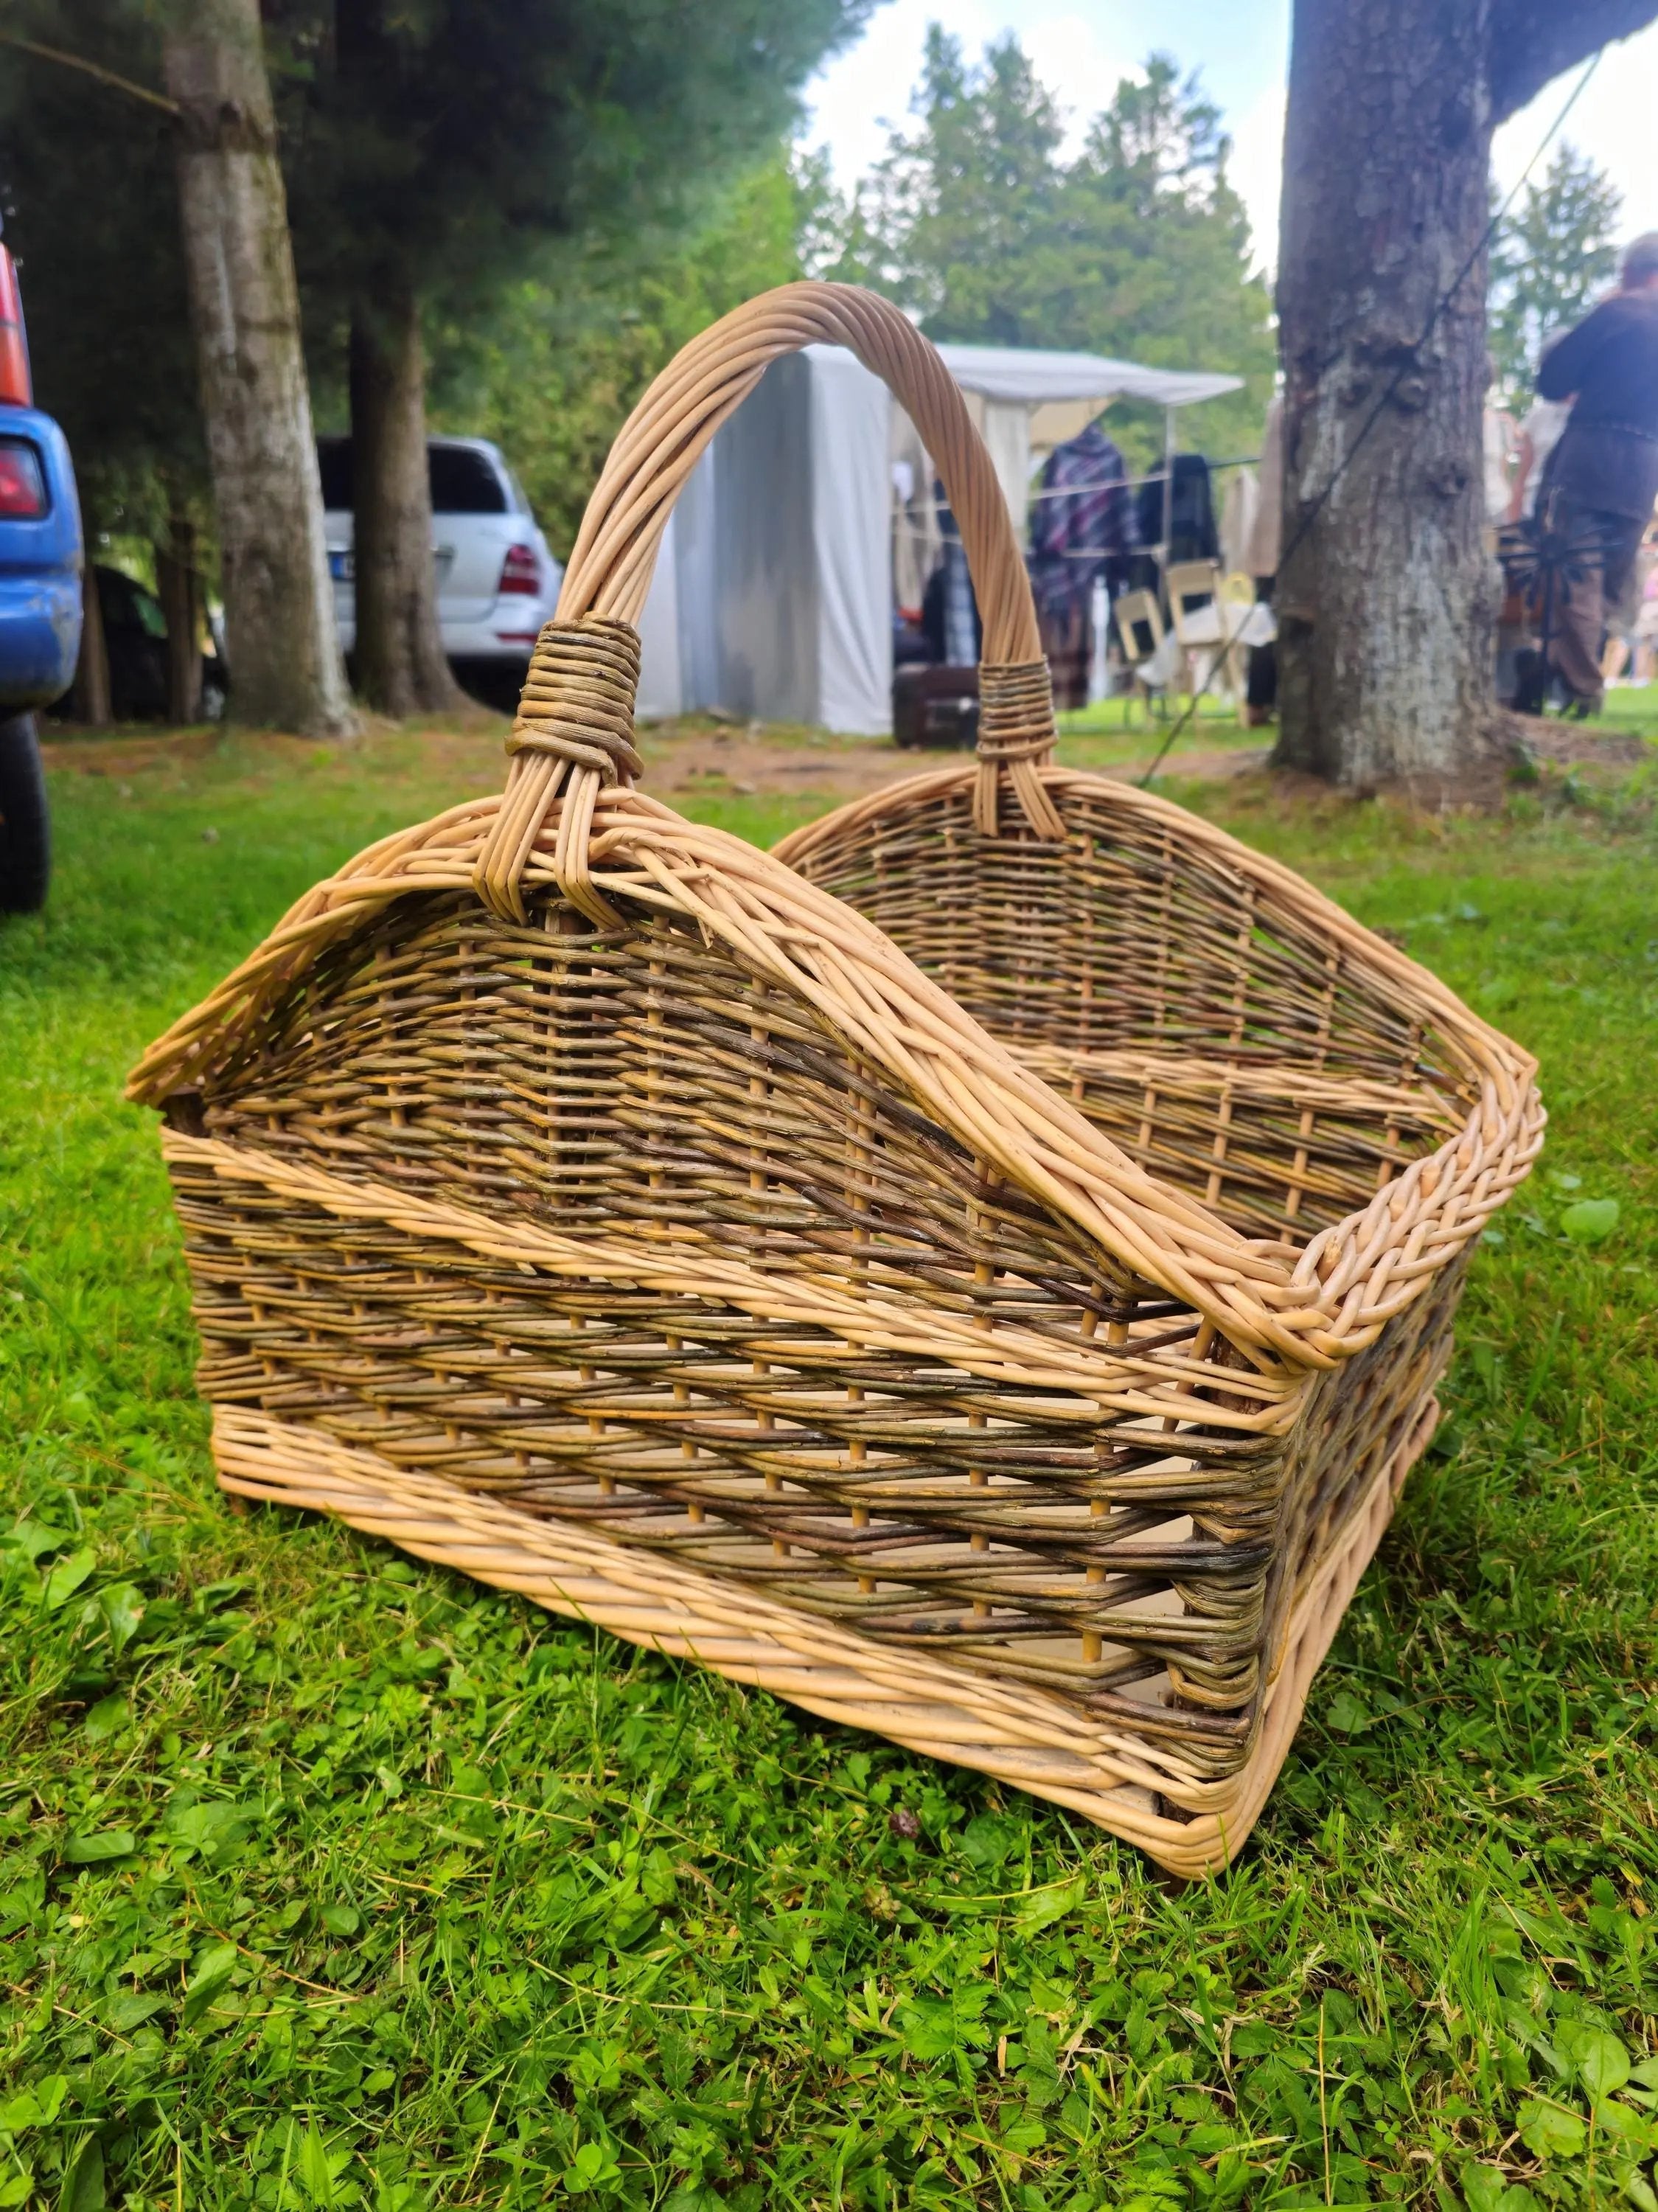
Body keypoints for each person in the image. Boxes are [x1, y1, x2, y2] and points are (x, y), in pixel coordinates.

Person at [1533, 232, 1658, 711]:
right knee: (1608, 577)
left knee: (1575, 572)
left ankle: (1581, 686)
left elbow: (1552, 379)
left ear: (1632, 271)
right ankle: (1566, 671)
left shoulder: (1617, 312)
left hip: (1590, 454)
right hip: (1644, 463)